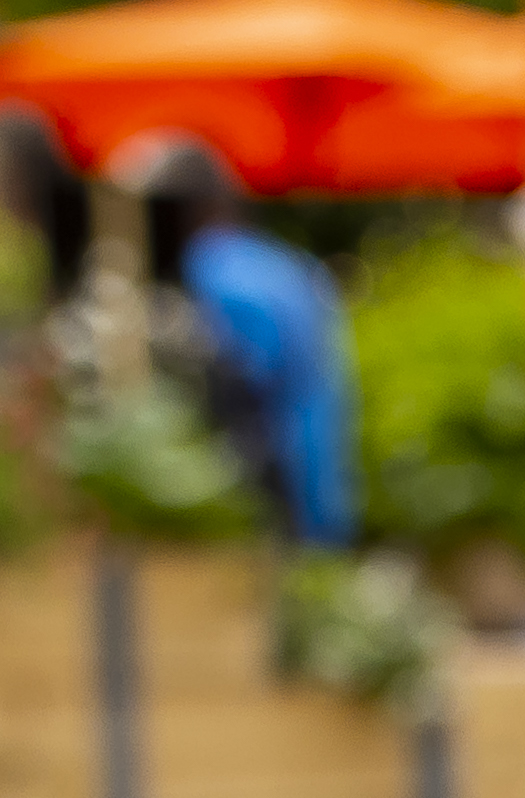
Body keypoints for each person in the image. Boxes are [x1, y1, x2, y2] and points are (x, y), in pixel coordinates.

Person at [116, 133, 356, 548]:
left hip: (273, 492)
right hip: (322, 479)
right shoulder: (285, 265)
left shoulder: (211, 271)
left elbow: (237, 389)